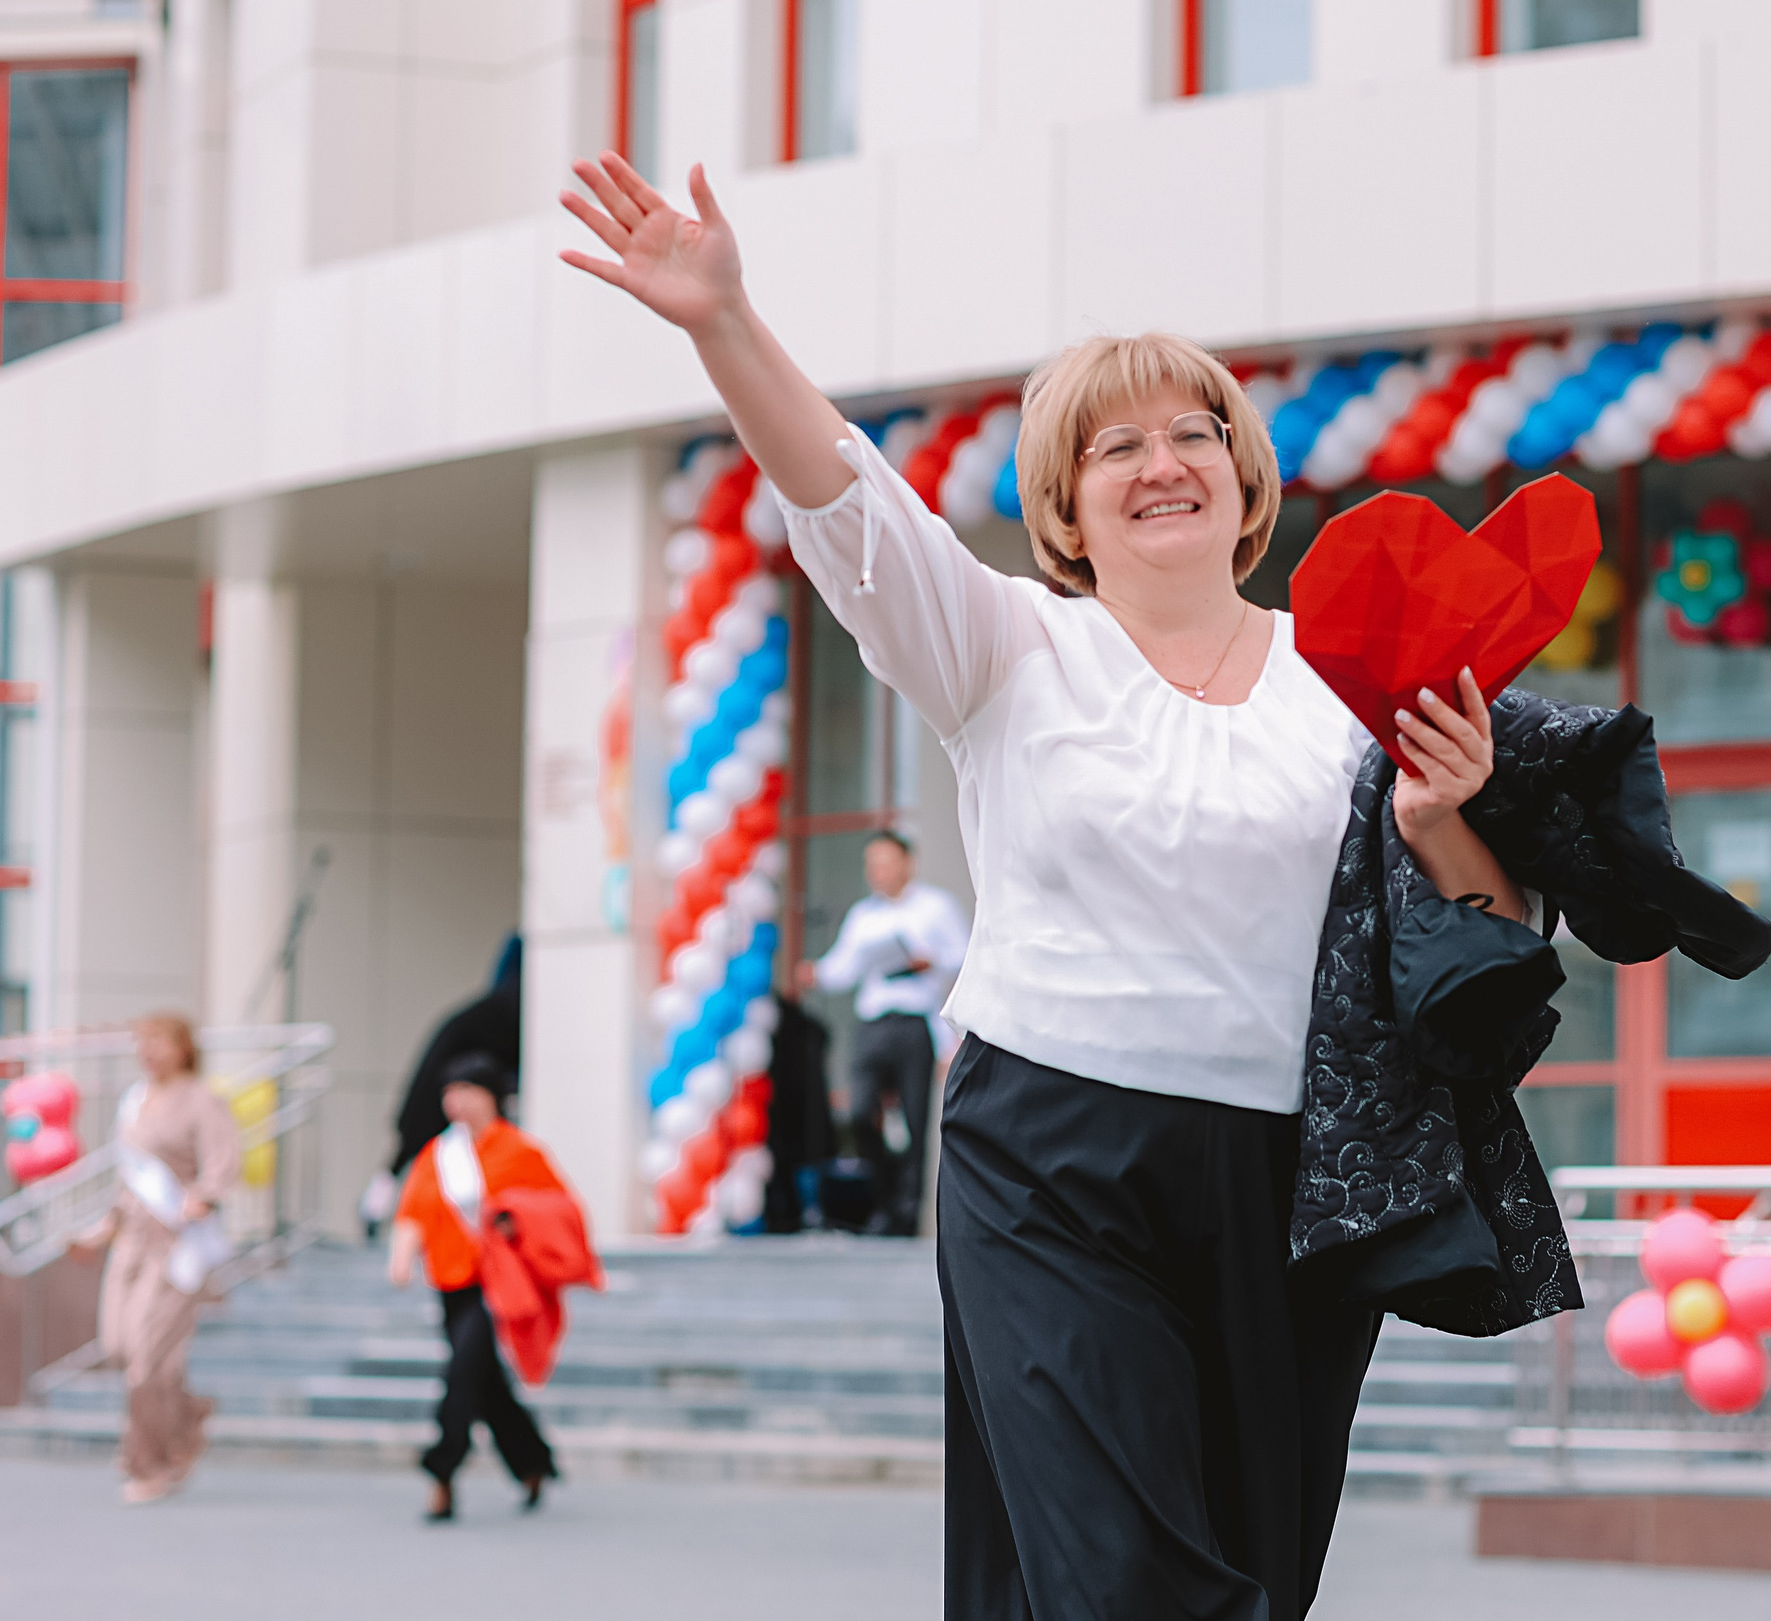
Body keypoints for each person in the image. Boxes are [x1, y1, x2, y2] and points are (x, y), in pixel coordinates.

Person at [563, 155, 1529, 1618]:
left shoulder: (1343, 682)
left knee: (1252, 1567)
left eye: (1191, 431)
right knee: (1128, 1576)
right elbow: (851, 502)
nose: (1160, 462)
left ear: (1243, 472)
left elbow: (1488, 946)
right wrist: (724, 321)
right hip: (1052, 1157)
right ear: (1067, 504)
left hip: (1290, 1174)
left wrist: (1448, 814)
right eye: (1113, 445)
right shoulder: (1007, 646)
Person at [388, 1053, 581, 1522]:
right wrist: (402, 1255)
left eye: (465, 1091)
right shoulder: (439, 1154)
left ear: (489, 1096)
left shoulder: (519, 1151)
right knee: (485, 1382)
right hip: (451, 1279)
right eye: (450, 1093)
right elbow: (414, 1209)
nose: (456, 1102)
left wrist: (516, 1220)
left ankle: (442, 1471)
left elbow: (555, 1209)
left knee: (462, 1372)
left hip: (497, 1281)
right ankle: (532, 1461)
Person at [75, 1013, 243, 1505]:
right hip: (131, 1240)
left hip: (177, 1242)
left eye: (156, 1041)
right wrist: (104, 1228)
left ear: (182, 1047)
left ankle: (146, 1462)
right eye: (140, 1041)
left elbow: (222, 1160)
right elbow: (127, 1179)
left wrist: (204, 1197)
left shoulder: (202, 1099)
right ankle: (185, 1416)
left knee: (148, 1356)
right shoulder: (135, 1101)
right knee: (119, 1344)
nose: (146, 1050)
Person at [797, 830, 967, 1235]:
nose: (879, 872)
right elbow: (844, 967)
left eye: (887, 862)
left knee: (914, 1118)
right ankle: (883, 1199)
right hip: (874, 1023)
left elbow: (964, 956)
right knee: (859, 1112)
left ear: (907, 863)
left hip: (915, 1022)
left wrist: (932, 962)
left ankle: (906, 1214)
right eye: (872, 865)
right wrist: (815, 973)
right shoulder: (863, 915)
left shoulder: (936, 907)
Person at [362, 934, 522, 1236]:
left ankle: (375, 1208)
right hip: (439, 1086)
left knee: (408, 1154)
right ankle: (376, 1209)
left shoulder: (486, 1013)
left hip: (440, 1077)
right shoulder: (504, 1014)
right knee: (419, 1156)